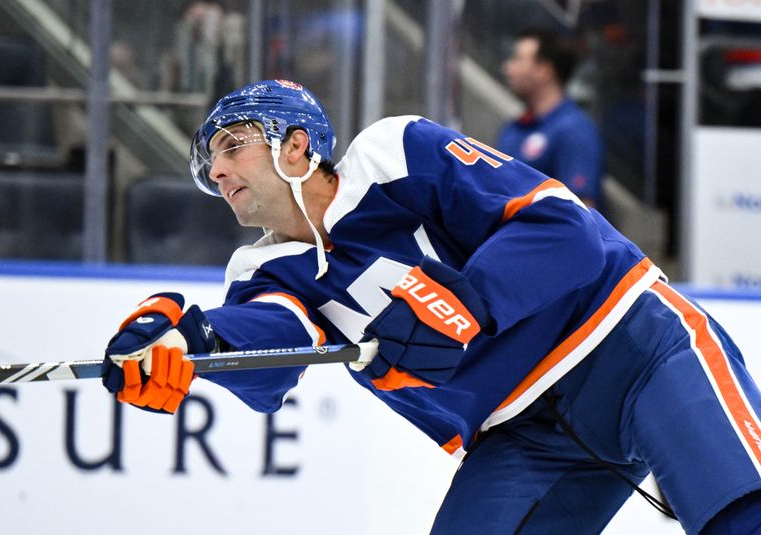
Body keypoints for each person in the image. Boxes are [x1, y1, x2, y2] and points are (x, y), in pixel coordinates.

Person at [100, 80, 761, 534]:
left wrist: (470, 299)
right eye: (209, 166)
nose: (217, 173)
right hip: (527, 437)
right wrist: (190, 339)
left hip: (636, 347)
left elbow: (565, 228)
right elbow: (273, 348)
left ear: (295, 143)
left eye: (230, 146)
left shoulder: (394, 153)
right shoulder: (262, 270)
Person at [498, 27, 604, 210]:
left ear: (544, 70)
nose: (507, 68)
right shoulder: (514, 128)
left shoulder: (575, 130)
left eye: (517, 59)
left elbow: (581, 211)